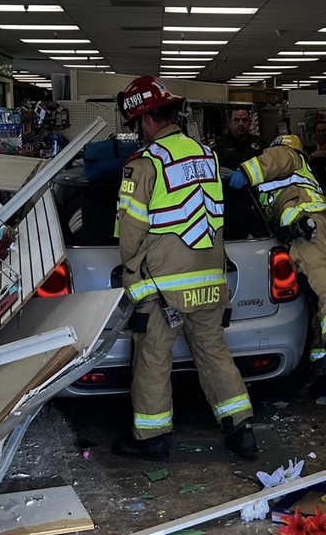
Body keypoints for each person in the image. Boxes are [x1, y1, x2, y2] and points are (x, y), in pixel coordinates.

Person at [111, 76, 257, 462]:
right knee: (214, 354)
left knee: (153, 357)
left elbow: (130, 235)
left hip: (162, 287)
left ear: (145, 120)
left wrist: (132, 273)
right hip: (210, 281)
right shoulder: (208, 155)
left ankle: (152, 439)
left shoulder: (144, 164)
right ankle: (241, 430)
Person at [227, 134, 326, 374]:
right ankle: (325, 367)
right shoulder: (293, 179)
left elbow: (273, 159)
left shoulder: (287, 155)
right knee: (318, 294)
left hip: (306, 226)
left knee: (319, 274)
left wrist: (245, 172)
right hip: (316, 226)